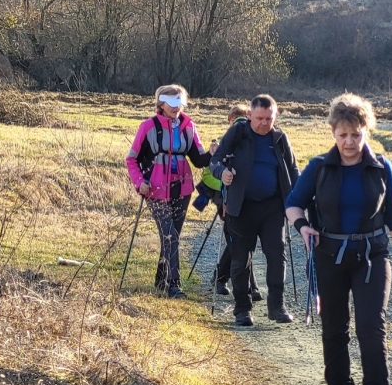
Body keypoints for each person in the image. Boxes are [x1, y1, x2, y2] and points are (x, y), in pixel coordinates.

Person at [285, 94, 392, 385]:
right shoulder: (318, 167)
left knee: (371, 326)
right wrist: (303, 227)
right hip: (329, 256)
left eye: (356, 134)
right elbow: (293, 203)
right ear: (333, 133)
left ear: (365, 131)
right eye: (343, 135)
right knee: (334, 328)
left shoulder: (381, 167)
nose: (349, 142)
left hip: (372, 256)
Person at [211, 94, 299, 327]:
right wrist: (223, 173)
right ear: (250, 115)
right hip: (241, 206)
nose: (264, 123)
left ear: (275, 116)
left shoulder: (280, 138)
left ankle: (277, 306)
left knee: (276, 255)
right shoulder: (237, 133)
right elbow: (216, 161)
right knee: (240, 259)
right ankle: (242, 309)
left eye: (269, 118)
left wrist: (297, 200)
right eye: (259, 118)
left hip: (272, 207)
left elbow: (293, 170)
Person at [125, 85, 212, 299]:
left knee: (172, 236)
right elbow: (132, 159)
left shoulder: (188, 125)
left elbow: (199, 160)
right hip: (154, 189)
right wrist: (139, 183)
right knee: (170, 235)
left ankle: (161, 279)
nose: (176, 108)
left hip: (182, 189)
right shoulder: (148, 127)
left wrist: (213, 152)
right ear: (160, 104)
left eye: (179, 104)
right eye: (172, 104)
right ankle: (174, 285)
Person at [209, 103, 260, 300]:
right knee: (239, 241)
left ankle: (224, 281)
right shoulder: (250, 136)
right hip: (237, 198)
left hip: (229, 199)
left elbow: (211, 172)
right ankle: (241, 285)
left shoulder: (227, 138)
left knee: (237, 241)